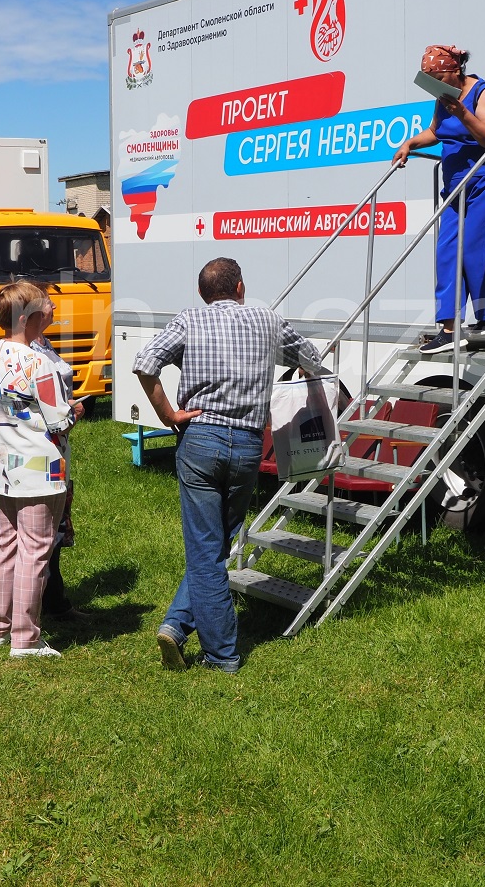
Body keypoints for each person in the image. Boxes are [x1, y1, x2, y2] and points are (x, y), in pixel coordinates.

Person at [134, 257, 324, 673]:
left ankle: (221, 655)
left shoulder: (189, 320)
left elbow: (145, 363)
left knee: (206, 548)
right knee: (218, 543)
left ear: (203, 295)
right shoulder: (267, 320)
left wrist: (168, 415)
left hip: (199, 440)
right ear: (240, 287)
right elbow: (313, 358)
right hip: (247, 446)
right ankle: (178, 625)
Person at [0, 280, 82, 658]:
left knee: (4, 544)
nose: (51, 310)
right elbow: (60, 421)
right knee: (35, 550)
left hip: (1, 464)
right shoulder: (40, 363)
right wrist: (77, 410)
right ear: (31, 316)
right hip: (40, 468)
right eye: (46, 306)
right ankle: (26, 638)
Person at [392, 44, 485, 353]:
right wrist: (411, 142)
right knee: (447, 250)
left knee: (475, 250)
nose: (436, 85)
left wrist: (463, 112)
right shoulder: (442, 98)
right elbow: (436, 131)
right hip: (457, 184)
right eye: (429, 79)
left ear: (455, 71)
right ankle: (449, 327)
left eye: (439, 77)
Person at [29, 326, 81, 620]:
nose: (53, 305)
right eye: (46, 300)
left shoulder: (44, 344)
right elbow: (51, 417)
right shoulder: (27, 353)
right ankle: (40, 608)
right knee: (43, 531)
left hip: (56, 451)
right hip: (40, 453)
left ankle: (54, 601)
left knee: (55, 529)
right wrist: (71, 413)